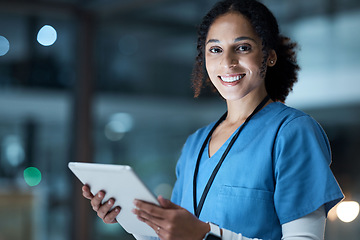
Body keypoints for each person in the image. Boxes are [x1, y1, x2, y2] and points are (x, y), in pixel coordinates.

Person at [82, 0, 344, 239]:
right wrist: (130, 217)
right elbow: (176, 235)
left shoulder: (293, 132)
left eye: (242, 47)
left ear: (269, 56)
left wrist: (207, 235)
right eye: (215, 50)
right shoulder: (195, 144)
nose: (227, 62)